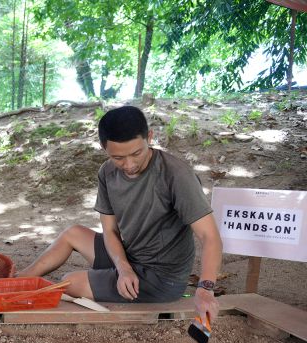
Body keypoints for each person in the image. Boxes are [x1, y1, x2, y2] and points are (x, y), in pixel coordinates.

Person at [17, 105, 222, 326]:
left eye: (136, 153)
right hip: (130, 257)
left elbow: (210, 237)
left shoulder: (176, 175)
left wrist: (205, 288)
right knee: (72, 233)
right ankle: (17, 281)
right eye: (118, 157)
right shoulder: (107, 172)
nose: (129, 165)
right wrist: (123, 268)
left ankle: (28, 295)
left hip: (161, 279)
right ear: (104, 148)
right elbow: (110, 230)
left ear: (149, 137)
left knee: (69, 282)